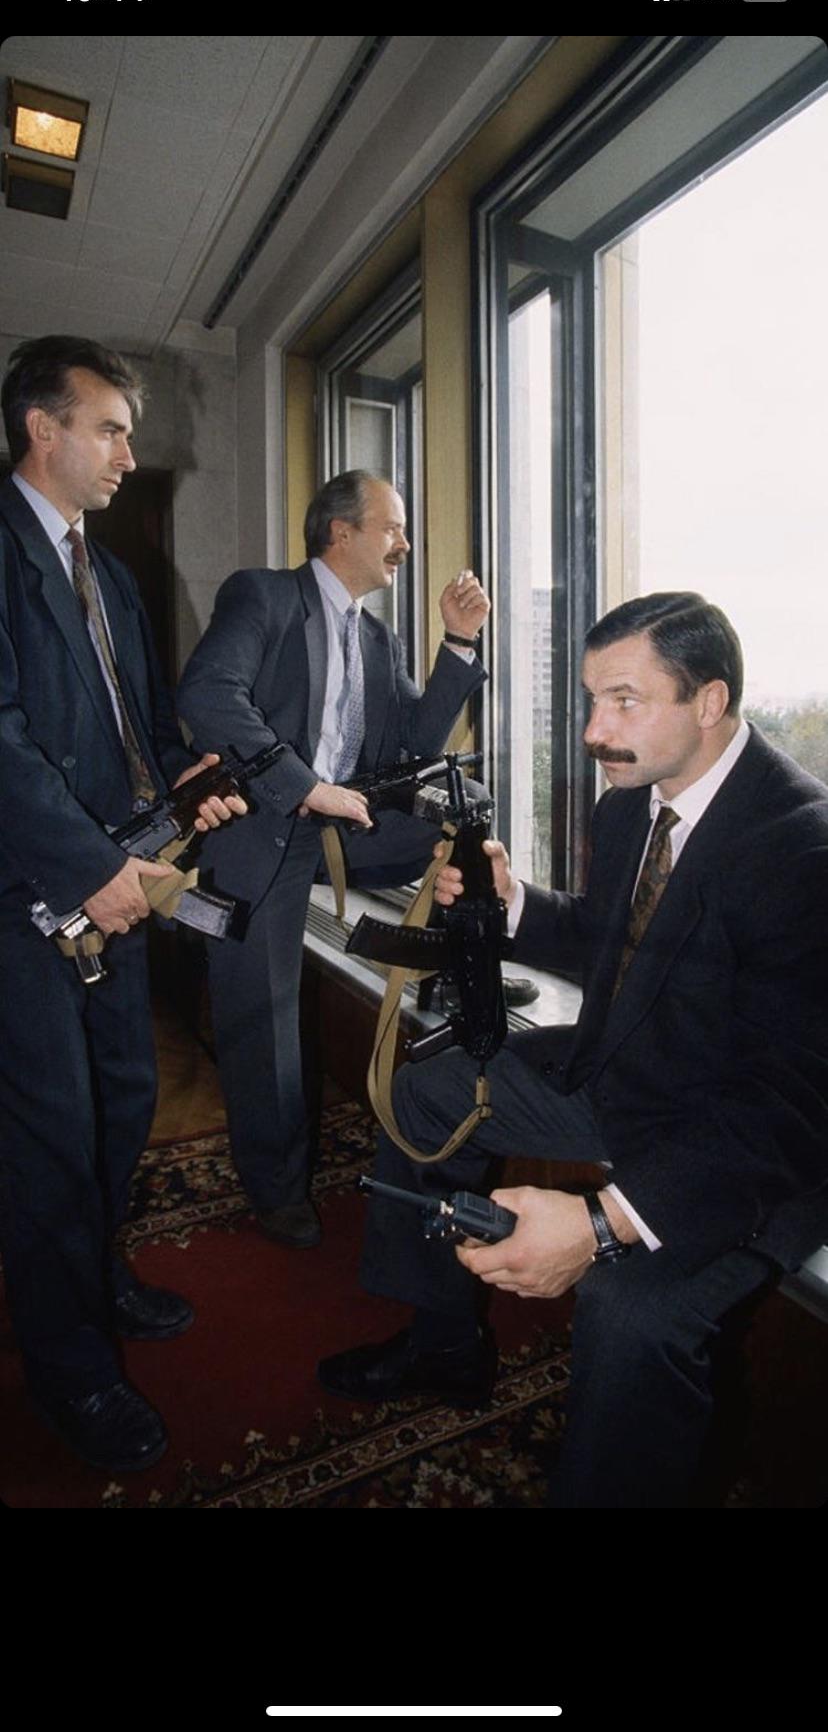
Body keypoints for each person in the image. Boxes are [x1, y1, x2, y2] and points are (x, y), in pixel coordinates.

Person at [318, 591, 828, 1508]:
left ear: (708, 703)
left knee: (628, 1311)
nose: (595, 729)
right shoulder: (636, 798)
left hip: (747, 1144)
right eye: (591, 700)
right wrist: (514, 905)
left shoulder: (804, 848)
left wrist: (599, 1226)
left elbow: (786, 1102)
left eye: (624, 701)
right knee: (425, 1091)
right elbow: (610, 939)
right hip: (629, 1071)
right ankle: (444, 1342)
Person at [0, 335, 246, 1472]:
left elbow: (140, 723)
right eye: (107, 426)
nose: (127, 452)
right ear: (42, 428)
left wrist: (189, 779)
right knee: (49, 1140)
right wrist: (81, 864)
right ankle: (69, 1368)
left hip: (120, 890)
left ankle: (95, 1277)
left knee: (120, 1101)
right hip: (28, 904)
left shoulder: (110, 572)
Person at [177, 469, 490, 1248]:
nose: (406, 545)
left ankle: (471, 976)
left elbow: (417, 746)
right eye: (392, 528)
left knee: (470, 807)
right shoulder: (264, 597)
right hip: (265, 831)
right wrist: (305, 788)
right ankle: (276, 1190)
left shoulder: (377, 638)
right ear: (339, 532)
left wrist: (458, 643)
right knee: (264, 1018)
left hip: (345, 827)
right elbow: (209, 696)